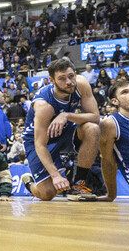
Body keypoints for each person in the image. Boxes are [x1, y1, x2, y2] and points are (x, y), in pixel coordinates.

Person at [18, 58, 102, 201]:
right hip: (37, 141)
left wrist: (66, 115)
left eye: (71, 76)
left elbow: (95, 117)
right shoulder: (44, 106)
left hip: (64, 130)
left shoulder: (81, 84)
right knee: (48, 194)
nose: (69, 82)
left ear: (75, 74)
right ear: (52, 80)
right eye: (62, 79)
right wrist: (56, 175)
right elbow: (40, 144)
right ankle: (30, 183)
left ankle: (79, 184)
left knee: (92, 128)